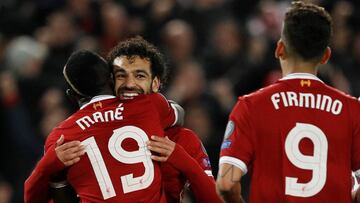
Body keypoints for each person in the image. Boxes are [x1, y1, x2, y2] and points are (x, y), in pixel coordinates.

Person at [216, 2, 360, 203]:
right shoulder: (352, 110)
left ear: (279, 49)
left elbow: (226, 184)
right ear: (326, 56)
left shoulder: (251, 106)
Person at [51, 36, 222, 203]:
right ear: (109, 81)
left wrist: (180, 158)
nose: (129, 84)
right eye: (121, 75)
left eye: (139, 76)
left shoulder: (183, 140)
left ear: (155, 84)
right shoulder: (81, 141)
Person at [24, 50, 183, 203]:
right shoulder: (148, 104)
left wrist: (46, 167)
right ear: (112, 78)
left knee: (57, 180)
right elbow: (179, 115)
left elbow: (35, 198)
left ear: (72, 95)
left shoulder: (60, 137)